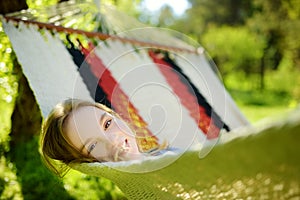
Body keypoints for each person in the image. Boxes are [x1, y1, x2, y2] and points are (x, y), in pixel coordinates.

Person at [40, 99, 167, 177]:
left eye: (107, 124)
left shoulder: (167, 154)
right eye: (93, 146)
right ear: (88, 163)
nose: (112, 140)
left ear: (115, 116)